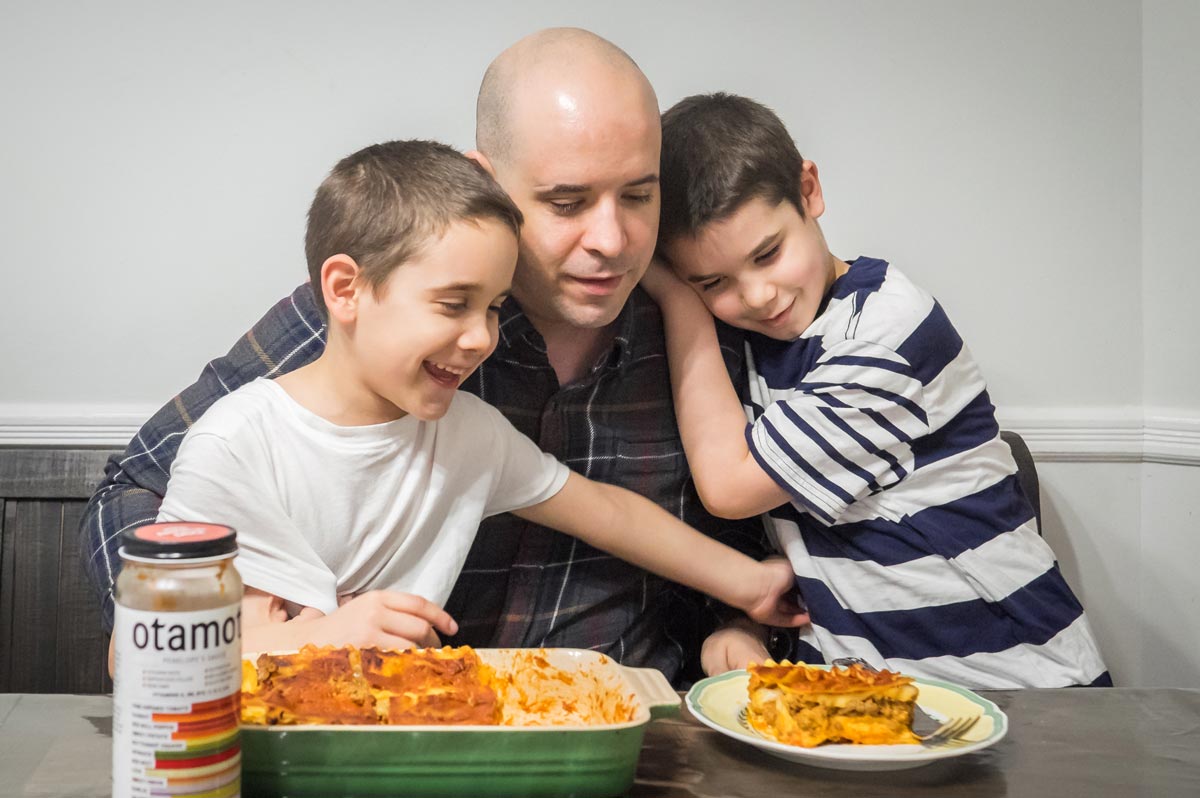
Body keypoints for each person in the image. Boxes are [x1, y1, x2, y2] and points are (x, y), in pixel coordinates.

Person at [81, 29, 780, 683]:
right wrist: (225, 638)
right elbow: (136, 489)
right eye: (566, 202)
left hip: (622, 725)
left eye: (638, 195)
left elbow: (728, 532)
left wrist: (739, 614)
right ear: (489, 184)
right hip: (397, 722)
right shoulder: (363, 320)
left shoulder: (701, 332)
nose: (613, 238)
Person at [149, 139, 804, 655]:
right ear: (345, 290)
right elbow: (139, 653)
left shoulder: (469, 434)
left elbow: (608, 512)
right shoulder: (236, 443)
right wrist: (318, 637)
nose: (481, 338)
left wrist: (747, 583)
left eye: (493, 308)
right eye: (454, 305)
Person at [643, 92, 1111, 688]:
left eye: (769, 252)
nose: (757, 295)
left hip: (1017, 685)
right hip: (870, 699)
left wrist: (680, 297)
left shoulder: (888, 333)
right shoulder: (752, 343)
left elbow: (729, 487)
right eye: (713, 281)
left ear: (808, 190)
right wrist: (745, 623)